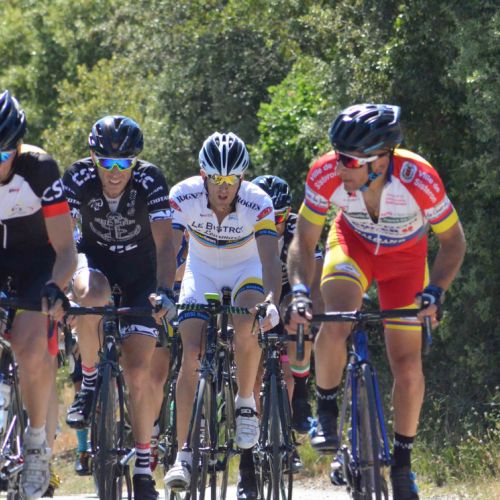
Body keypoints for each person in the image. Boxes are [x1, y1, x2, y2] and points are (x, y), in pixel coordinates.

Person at [285, 104, 466, 500]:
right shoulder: (325, 173)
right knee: (336, 319)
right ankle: (327, 410)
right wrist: (299, 292)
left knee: (408, 366)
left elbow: (454, 242)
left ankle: (402, 464)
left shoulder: (419, 178)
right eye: (338, 155)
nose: (340, 167)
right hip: (353, 246)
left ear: (381, 160)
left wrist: (435, 292)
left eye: (350, 160)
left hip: (406, 261)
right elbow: (304, 240)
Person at [62, 115, 176, 500]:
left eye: (124, 162)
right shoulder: (77, 177)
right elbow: (64, 236)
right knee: (90, 295)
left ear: (135, 161)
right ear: (93, 157)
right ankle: (89, 381)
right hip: (96, 263)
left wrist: (165, 290)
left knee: (138, 371)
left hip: (141, 273)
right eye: (106, 162)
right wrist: (60, 286)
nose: (115, 171)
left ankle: (143, 468)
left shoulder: (150, 179)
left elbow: (165, 244)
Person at [163, 132, 282, 491]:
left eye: (231, 179)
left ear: (242, 178)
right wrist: (163, 292)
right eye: (216, 178)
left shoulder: (258, 201)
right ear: (203, 175)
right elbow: (168, 248)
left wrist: (271, 300)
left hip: (245, 269)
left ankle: (245, 402)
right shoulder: (183, 195)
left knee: (247, 321)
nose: (224, 187)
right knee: (192, 353)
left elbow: (270, 259)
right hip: (201, 271)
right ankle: (183, 454)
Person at [0, 90, 77, 499]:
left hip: (37, 268)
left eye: (2, 155)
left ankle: (34, 444)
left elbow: (66, 251)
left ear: (17, 147)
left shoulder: (40, 169)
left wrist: (55, 286)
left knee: (30, 347)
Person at [230, 175, 324, 500]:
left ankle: (299, 399)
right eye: (269, 217)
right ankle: (246, 465)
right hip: (255, 296)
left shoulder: (300, 228)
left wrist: (315, 315)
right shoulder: (244, 225)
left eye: (280, 216)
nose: (275, 223)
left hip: (287, 295)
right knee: (252, 378)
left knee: (300, 327)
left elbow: (316, 279)